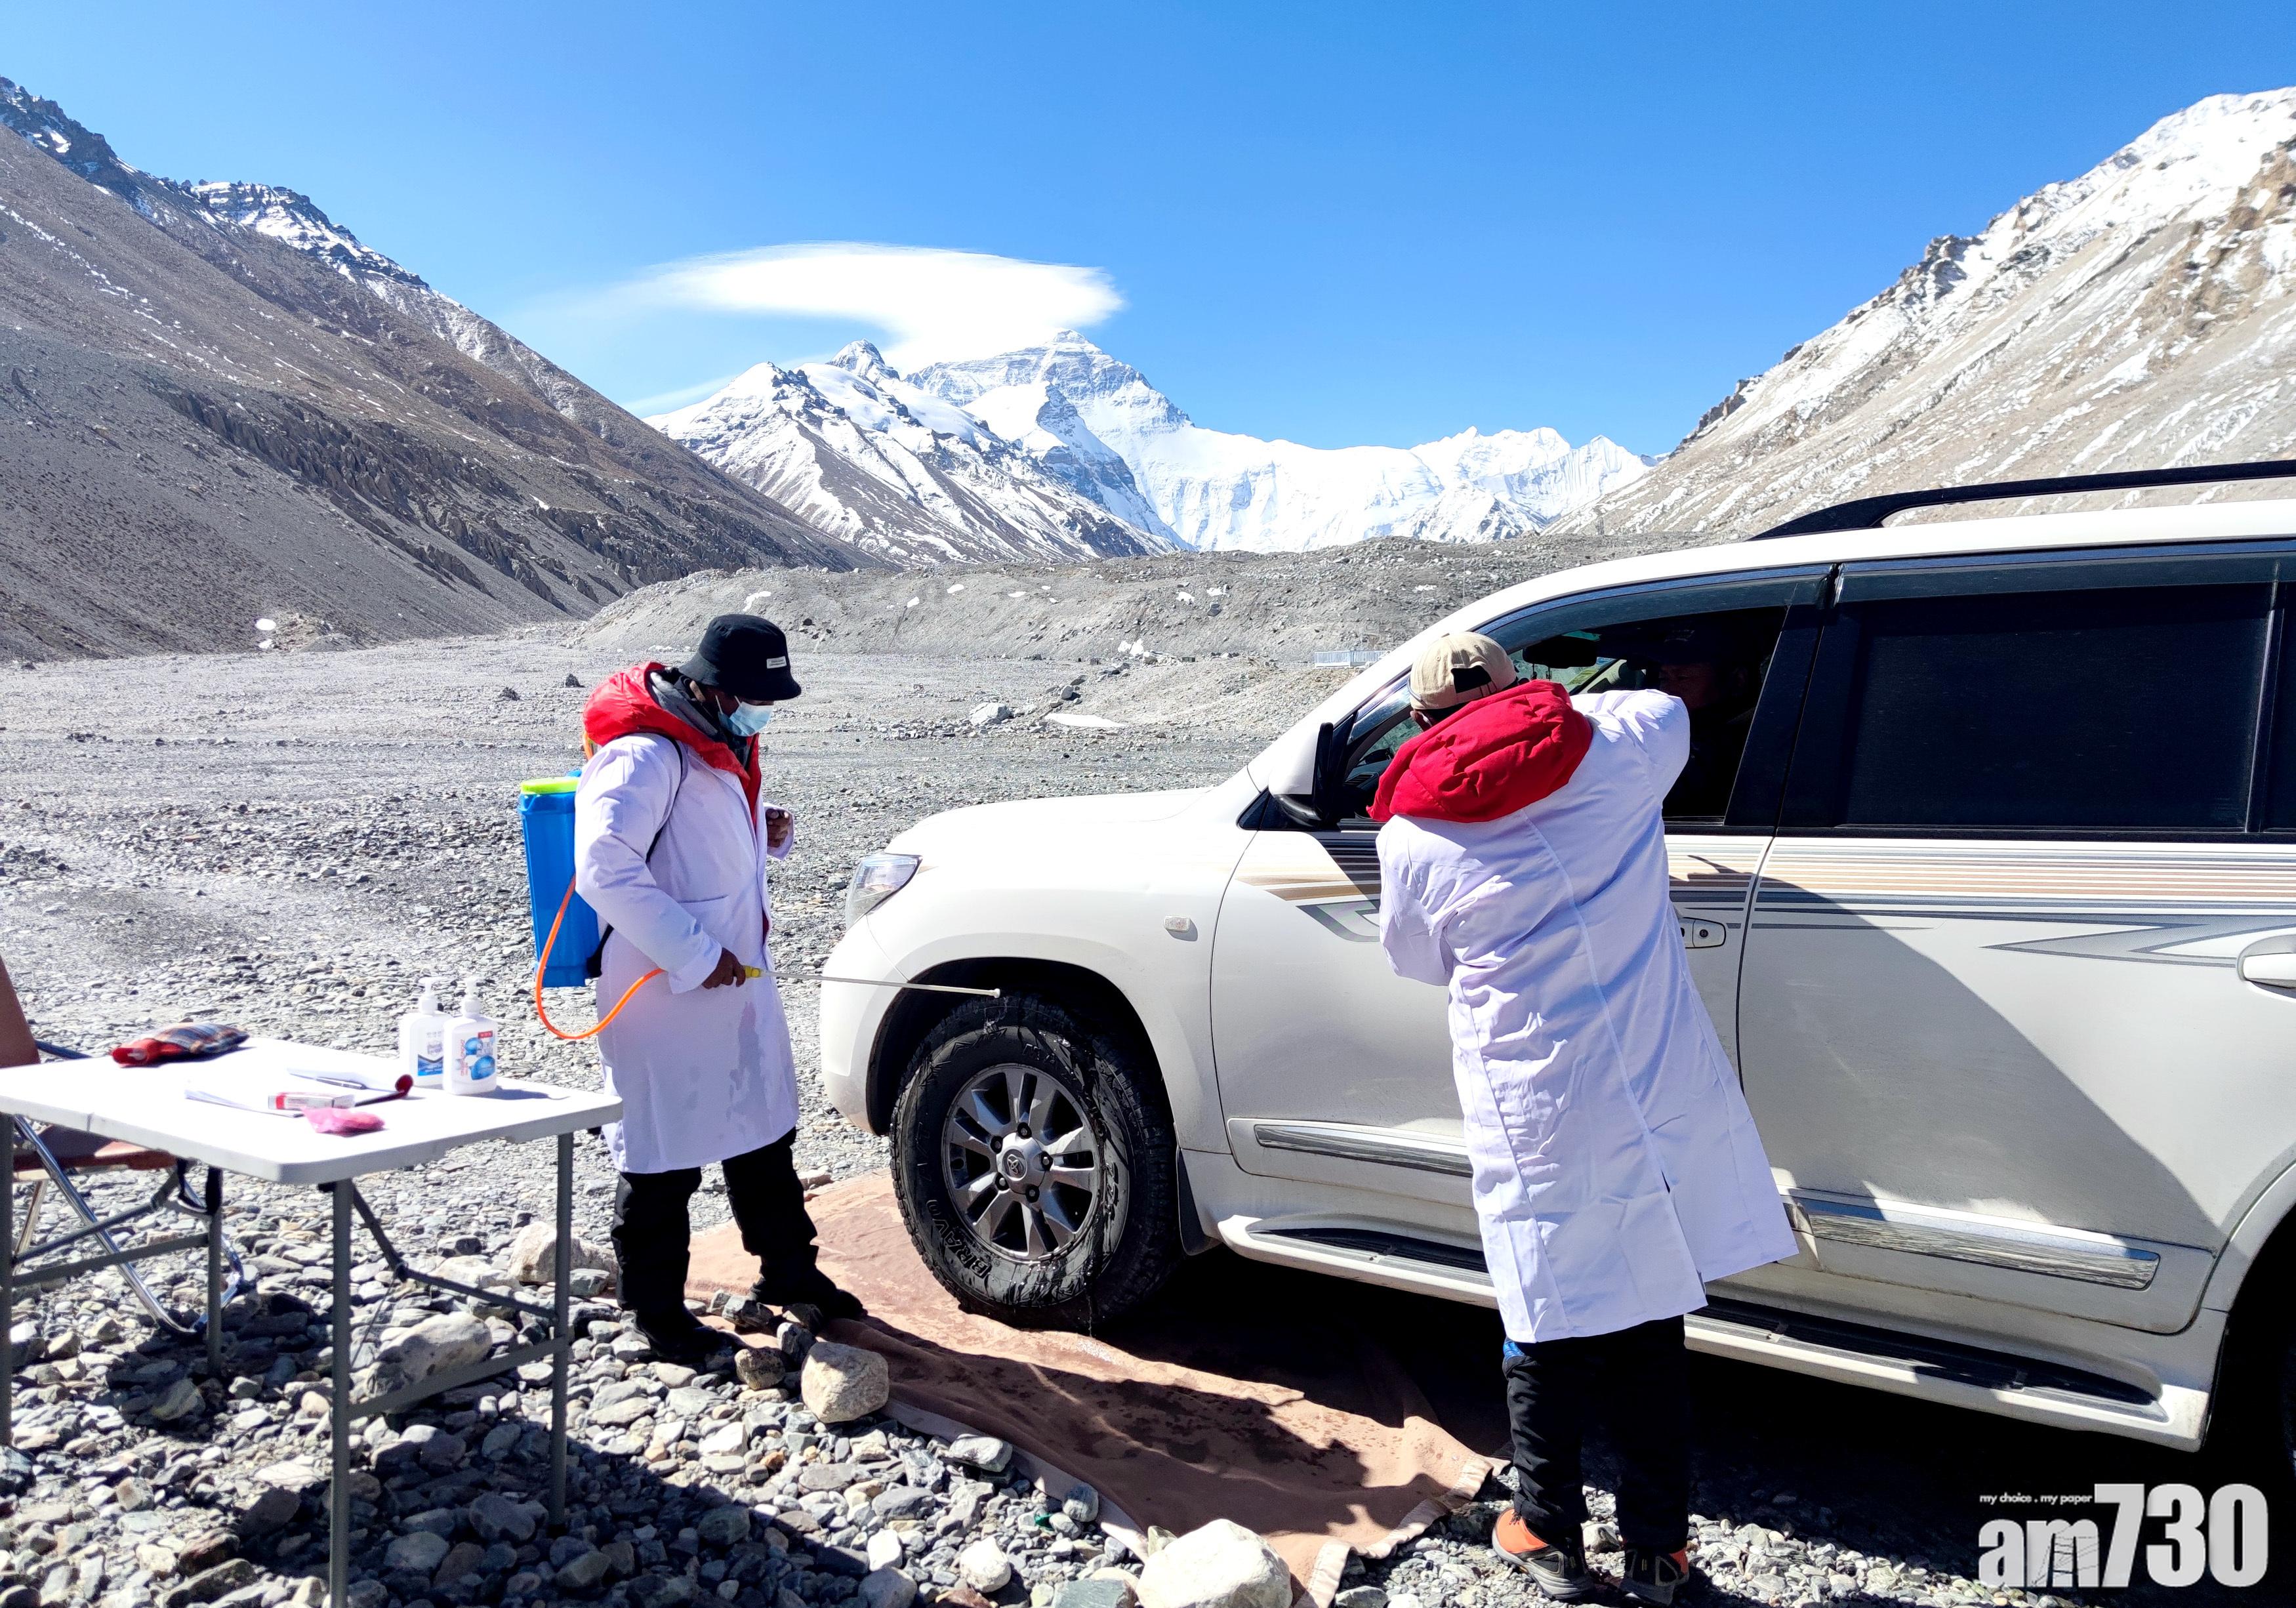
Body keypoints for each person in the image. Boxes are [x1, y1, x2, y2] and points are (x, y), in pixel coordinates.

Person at [1371, 632, 1796, 1606]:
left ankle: (1547, 1529)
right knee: (1649, 1313)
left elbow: (1415, 959)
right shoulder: (1621, 744)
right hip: (1643, 1079)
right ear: (1526, 688)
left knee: (1542, 1310)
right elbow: (1678, 706)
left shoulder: (1411, 834)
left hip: (1532, 1098)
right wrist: (1562, 700)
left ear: (1423, 721)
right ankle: (1658, 1549)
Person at [575, 613, 863, 1366]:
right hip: (662, 989)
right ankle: (658, 1315)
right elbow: (604, 870)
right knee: (662, 1154)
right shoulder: (642, 755)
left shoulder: (717, 742)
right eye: (755, 697)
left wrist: (759, 827)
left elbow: (697, 847)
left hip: (733, 978)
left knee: (763, 1132)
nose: (764, 711)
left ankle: (790, 1274)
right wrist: (697, 956)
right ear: (708, 688)